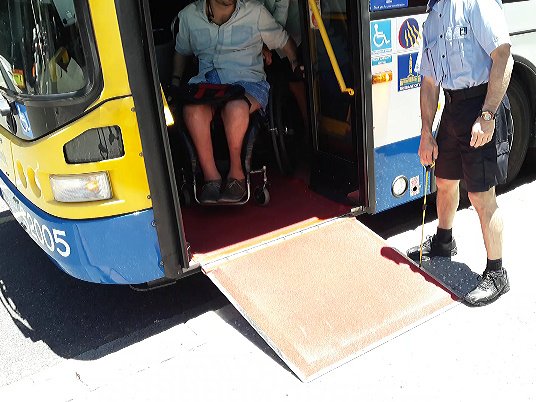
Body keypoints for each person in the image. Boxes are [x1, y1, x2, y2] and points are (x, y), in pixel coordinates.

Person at [406, 0, 514, 306]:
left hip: (480, 105)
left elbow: (503, 56)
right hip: (452, 108)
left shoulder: (475, 3)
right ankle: (444, 241)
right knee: (444, 180)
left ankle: (497, 273)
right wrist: (427, 132)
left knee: (481, 196)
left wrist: (488, 115)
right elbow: (428, 81)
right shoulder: (432, 16)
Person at [171, 0, 302, 203]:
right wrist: (175, 82)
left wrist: (296, 66)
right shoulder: (189, 16)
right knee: (192, 111)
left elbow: (284, 41)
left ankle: (237, 175)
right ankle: (210, 178)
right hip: (209, 81)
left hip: (248, 81)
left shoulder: (255, 12)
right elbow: (181, 50)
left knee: (236, 107)